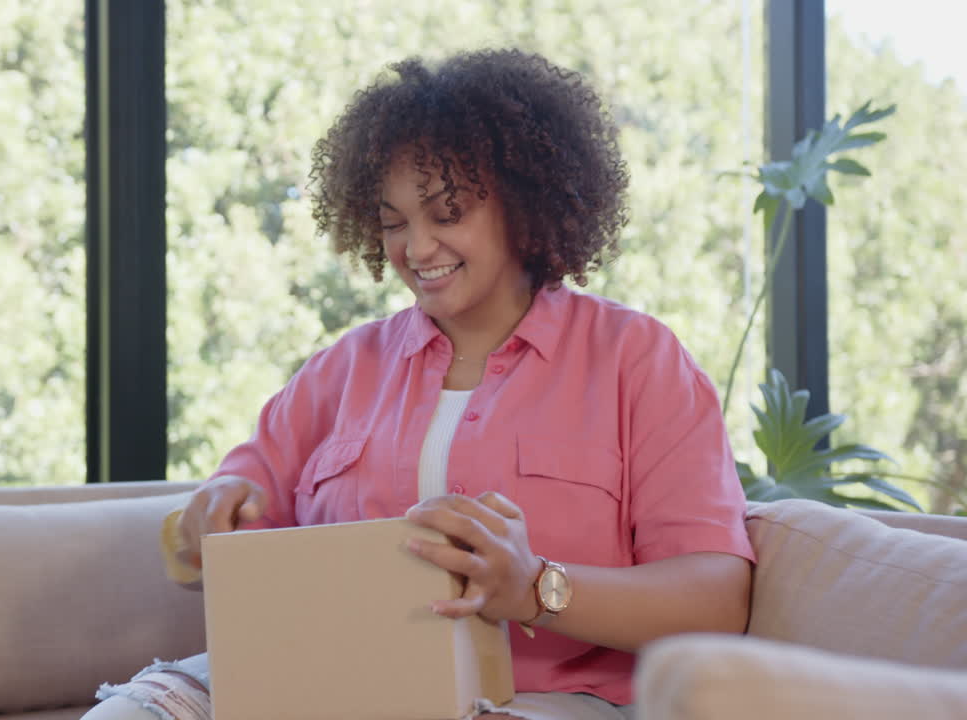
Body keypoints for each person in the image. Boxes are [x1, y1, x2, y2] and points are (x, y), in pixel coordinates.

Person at [84, 48, 755, 720]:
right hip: (322, 686)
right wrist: (214, 515)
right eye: (394, 221)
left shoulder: (637, 361)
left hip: (543, 699)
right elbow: (235, 522)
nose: (417, 249)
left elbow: (715, 598)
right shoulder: (342, 371)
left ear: (526, 202)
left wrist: (534, 589)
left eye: (447, 212)